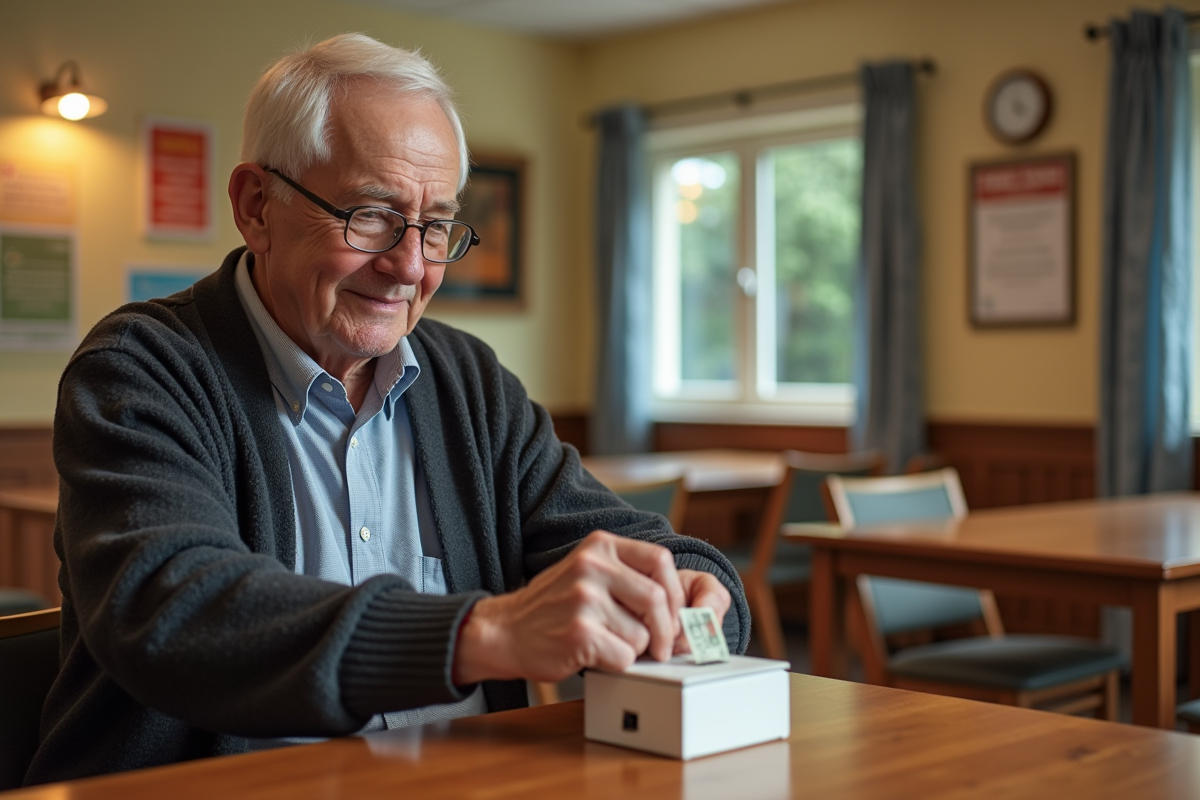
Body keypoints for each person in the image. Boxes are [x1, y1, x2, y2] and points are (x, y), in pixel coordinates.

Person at [25, 33, 748, 785]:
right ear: (255, 207)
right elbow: (173, 610)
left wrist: (694, 597)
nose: (409, 266)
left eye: (436, 226)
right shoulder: (142, 367)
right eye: (371, 215)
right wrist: (484, 633)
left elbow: (629, 545)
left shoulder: (466, 379)